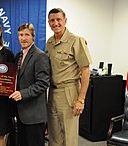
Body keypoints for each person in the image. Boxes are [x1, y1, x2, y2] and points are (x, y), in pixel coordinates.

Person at [46, 8, 92, 146]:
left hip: (69, 92)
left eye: (58, 19)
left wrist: (81, 100)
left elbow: (85, 71)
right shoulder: (49, 42)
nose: (56, 23)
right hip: (52, 92)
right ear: (49, 23)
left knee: (69, 136)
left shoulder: (76, 41)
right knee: (54, 136)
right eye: (52, 20)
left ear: (65, 21)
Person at [9, 23, 50, 146]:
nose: (23, 38)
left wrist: (22, 94)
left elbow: (43, 83)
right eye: (21, 35)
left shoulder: (40, 56)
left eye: (27, 34)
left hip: (34, 114)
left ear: (33, 37)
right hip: (21, 113)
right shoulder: (18, 56)